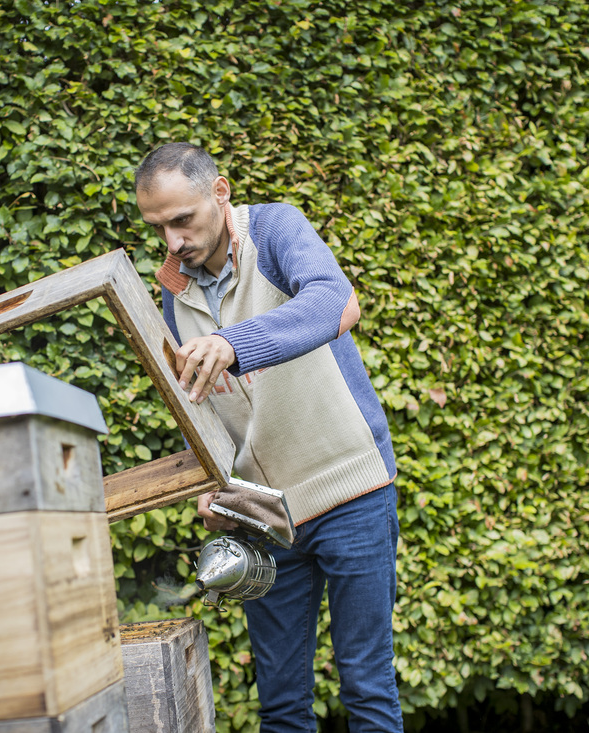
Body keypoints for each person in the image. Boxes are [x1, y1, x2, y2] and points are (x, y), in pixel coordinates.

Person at [133, 142, 403, 733]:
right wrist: (212, 480)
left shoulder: (275, 229)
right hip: (267, 515)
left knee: (367, 687)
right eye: (158, 228)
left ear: (220, 192)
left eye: (183, 220)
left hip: (350, 491)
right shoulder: (171, 290)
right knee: (281, 708)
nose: (173, 241)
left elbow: (338, 301)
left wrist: (235, 343)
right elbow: (200, 404)